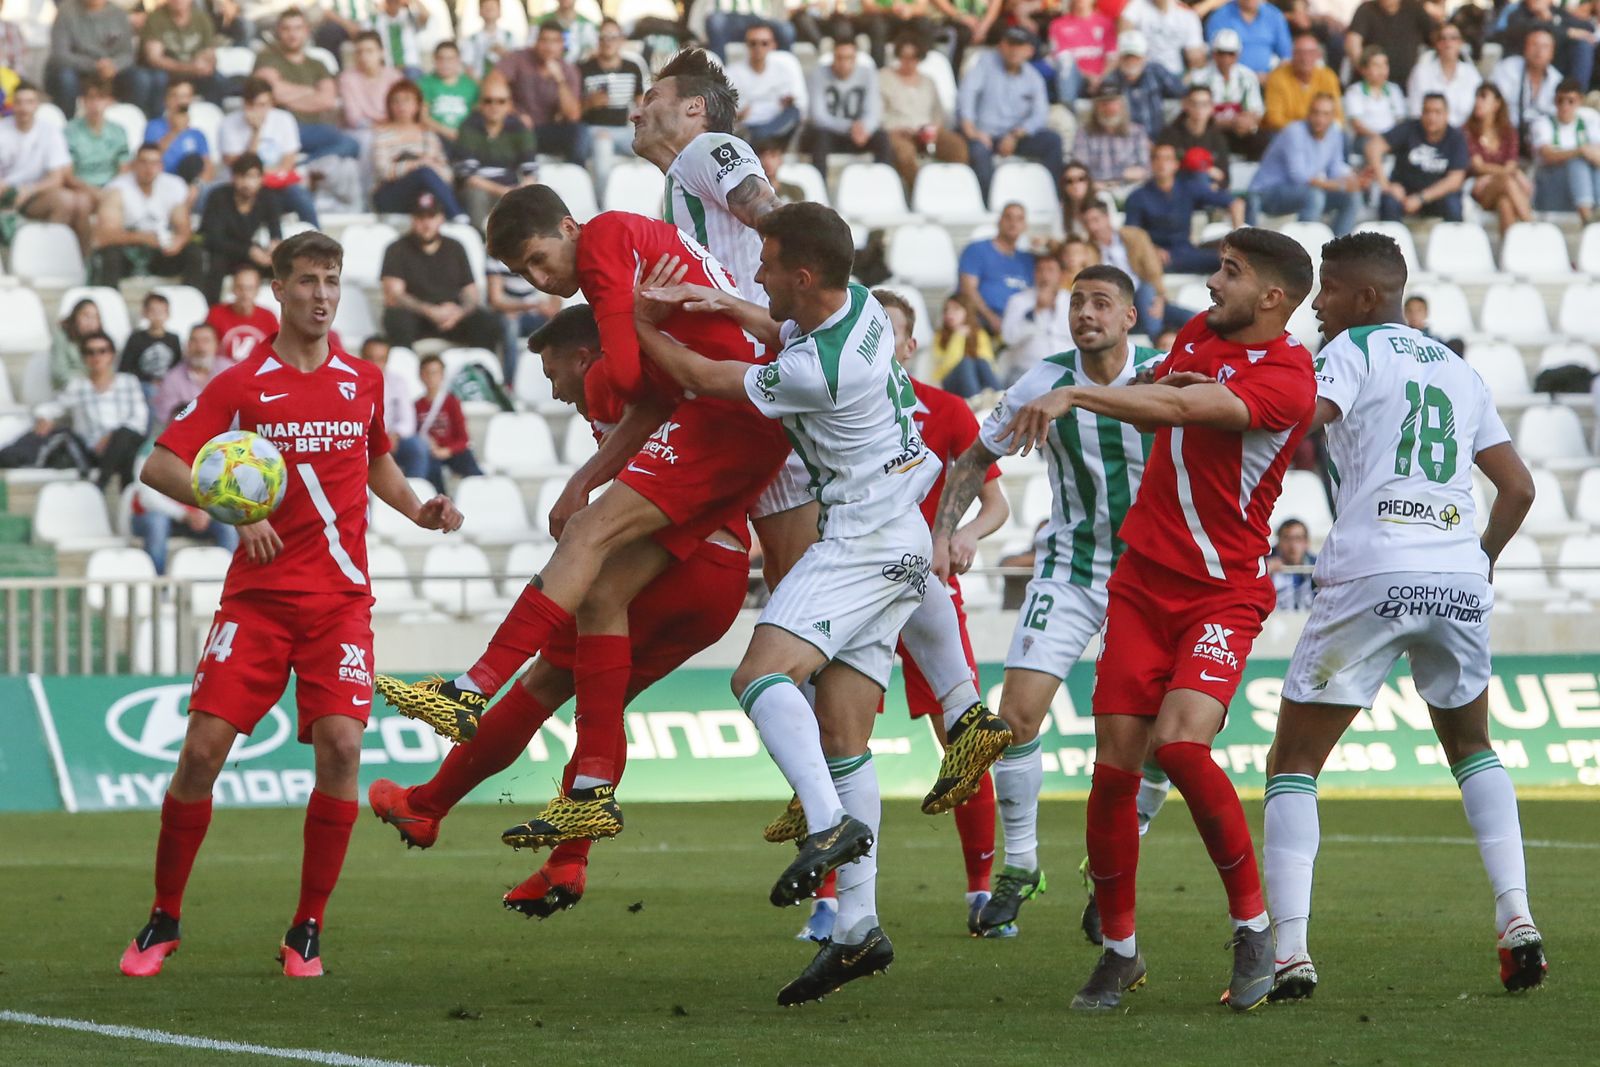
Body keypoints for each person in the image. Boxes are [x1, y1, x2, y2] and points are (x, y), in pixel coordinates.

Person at [632, 202, 1010, 1003]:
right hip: (902, 533)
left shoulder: (819, 371)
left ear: (803, 276)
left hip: (861, 538)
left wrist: (639, 323)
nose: (759, 275)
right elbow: (785, 328)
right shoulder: (864, 305)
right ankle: (856, 931)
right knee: (843, 731)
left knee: (758, 676)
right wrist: (734, 305)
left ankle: (825, 819)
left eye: (767, 266)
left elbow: (703, 379)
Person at [375, 187, 793, 850]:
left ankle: (469, 690)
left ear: (569, 227)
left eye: (540, 260)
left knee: (585, 545)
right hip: (731, 479)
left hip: (728, 418)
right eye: (524, 276)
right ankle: (588, 795)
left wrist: (631, 322)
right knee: (596, 598)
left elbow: (624, 380)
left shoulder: (605, 241)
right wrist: (581, 481)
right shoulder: (637, 254)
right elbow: (652, 406)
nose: (542, 281)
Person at [115, 230, 463, 981]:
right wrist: (234, 507)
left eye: (332, 280)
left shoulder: (364, 379)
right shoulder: (243, 384)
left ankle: (307, 928)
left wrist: (418, 511)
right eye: (307, 280)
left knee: (340, 747)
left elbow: (376, 461)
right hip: (258, 603)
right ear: (277, 288)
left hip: (340, 601)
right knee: (202, 752)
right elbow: (159, 463)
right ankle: (163, 915)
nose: (321, 294)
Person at [1002, 227, 1316, 1013]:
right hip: (1142, 582)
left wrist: (1076, 392)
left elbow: (1181, 403)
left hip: (1221, 590)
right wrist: (1136, 391)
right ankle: (1119, 950)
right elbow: (1160, 410)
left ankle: (1252, 927)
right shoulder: (1201, 333)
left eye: (1230, 272)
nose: (1212, 282)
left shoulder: (1289, 376)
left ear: (1273, 298)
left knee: (1178, 744)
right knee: (1112, 769)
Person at [367, 304, 754, 918]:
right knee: (600, 697)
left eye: (554, 372)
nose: (553, 389)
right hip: (723, 580)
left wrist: (581, 484)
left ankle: (433, 798)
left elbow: (645, 413)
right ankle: (565, 861)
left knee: (546, 682)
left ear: (583, 356)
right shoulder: (642, 391)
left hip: (669, 561)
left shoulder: (606, 374)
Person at [1264, 229, 1545, 1002]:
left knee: (1291, 764)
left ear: (1364, 297)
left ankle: (1288, 953)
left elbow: (1298, 419)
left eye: (1326, 290)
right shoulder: (1460, 369)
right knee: (1472, 747)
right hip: (1457, 573)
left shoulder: (1351, 351)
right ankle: (1517, 918)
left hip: (1373, 567)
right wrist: (1480, 556)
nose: (1316, 305)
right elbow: (1518, 488)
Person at [938, 263, 1163, 938]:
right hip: (1068, 568)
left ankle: (1111, 871)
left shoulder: (1165, 375)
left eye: (1101, 303)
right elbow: (975, 459)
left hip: (1149, 578)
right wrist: (946, 530)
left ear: (1129, 316)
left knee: (1146, 743)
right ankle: (1023, 865)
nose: (1086, 313)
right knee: (1016, 716)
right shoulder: (1041, 380)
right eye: (1077, 303)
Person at [379, 196, 501, 350]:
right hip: (417, 318)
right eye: (420, 217)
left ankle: (481, 368)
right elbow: (394, 296)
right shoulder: (396, 249)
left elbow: (471, 292)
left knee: (487, 322)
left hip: (454, 317)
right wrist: (430, 311)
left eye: (431, 217)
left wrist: (459, 312)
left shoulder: (455, 247)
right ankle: (405, 369)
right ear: (412, 219)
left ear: (441, 218)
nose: (426, 223)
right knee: (396, 319)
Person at [958, 26, 1063, 195]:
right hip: (983, 135)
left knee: (1052, 141)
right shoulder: (984, 63)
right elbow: (966, 96)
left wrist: (1017, 134)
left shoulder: (1033, 77)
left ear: (1029, 51)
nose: (1014, 50)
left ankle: (1051, 197)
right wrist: (972, 132)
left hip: (1015, 136)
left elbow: (1040, 114)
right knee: (978, 151)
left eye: (1019, 46)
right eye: (1010, 44)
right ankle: (989, 203)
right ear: (1001, 46)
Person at [253, 8, 362, 165]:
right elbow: (272, 92)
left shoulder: (318, 64)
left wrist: (286, 96)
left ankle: (300, 167)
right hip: (278, 128)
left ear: (307, 31)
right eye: (286, 29)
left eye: (298, 28)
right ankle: (299, 168)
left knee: (350, 144)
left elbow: (327, 100)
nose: (292, 34)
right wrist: (310, 91)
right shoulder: (266, 58)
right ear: (278, 31)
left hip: (314, 129)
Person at [0, 82, 97, 255]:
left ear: (37, 105)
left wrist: (28, 190)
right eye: (19, 102)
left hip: (36, 192)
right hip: (6, 192)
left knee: (78, 202)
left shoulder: (49, 130)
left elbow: (56, 177)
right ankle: (49, 256)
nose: (24, 108)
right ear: (12, 105)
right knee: (69, 202)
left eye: (29, 102)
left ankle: (81, 261)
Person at [1248, 92, 1362, 235]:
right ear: (1308, 114)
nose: (1320, 119)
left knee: (1352, 197)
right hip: (1267, 192)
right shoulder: (1294, 131)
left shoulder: (1335, 132)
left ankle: (1338, 249)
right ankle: (1305, 250)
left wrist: (1356, 179)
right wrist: (1337, 184)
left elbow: (1335, 168)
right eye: (1316, 113)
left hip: (1302, 191)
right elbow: (1299, 176)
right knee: (1314, 196)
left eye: (1326, 114)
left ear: (1333, 116)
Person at [1124, 141, 1244, 274]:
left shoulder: (1187, 187)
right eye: (1157, 158)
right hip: (1159, 256)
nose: (1162, 163)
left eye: (1167, 159)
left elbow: (1235, 203)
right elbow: (1130, 234)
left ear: (1176, 165)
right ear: (1151, 163)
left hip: (1187, 249)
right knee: (1229, 262)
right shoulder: (1138, 196)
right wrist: (1152, 249)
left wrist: (1235, 239)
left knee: (1236, 259)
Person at [93, 143, 202, 288]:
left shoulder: (174, 185)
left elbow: (183, 226)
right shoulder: (117, 189)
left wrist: (178, 241)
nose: (149, 168)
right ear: (134, 165)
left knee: (193, 252)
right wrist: (142, 237)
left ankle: (194, 303)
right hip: (128, 253)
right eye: (143, 162)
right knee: (111, 256)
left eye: (154, 163)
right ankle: (109, 305)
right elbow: (103, 236)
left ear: (161, 166)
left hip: (160, 251)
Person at [1079, 199, 1192, 339]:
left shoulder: (1135, 236)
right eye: (1087, 222)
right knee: (1154, 312)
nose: (1092, 227)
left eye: (1095, 220)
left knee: (1191, 318)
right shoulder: (1087, 250)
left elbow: (1152, 270)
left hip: (1144, 295)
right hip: (1115, 304)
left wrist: (1160, 298)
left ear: (1107, 217)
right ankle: (1160, 345)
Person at [218, 78, 323, 227]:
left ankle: (317, 238)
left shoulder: (284, 119)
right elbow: (240, 169)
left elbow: (288, 163)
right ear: (244, 104)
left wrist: (260, 175)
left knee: (300, 196)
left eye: (262, 105)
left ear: (271, 102)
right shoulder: (229, 123)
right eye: (252, 105)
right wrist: (256, 132)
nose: (257, 110)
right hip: (242, 188)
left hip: (277, 184)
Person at [881, 34, 969, 194]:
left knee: (957, 147)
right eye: (904, 57)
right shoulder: (883, 78)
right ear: (898, 56)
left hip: (926, 132)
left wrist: (933, 129)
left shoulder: (929, 81)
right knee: (905, 153)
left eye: (913, 57)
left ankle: (952, 191)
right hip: (896, 132)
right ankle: (920, 193)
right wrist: (894, 128)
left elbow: (938, 112)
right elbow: (877, 113)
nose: (908, 62)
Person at [62, 330, 149, 490]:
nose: (97, 356)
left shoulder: (128, 381)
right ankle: (126, 504)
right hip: (96, 449)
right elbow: (57, 406)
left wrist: (111, 437)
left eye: (102, 351)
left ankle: (101, 483)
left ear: (112, 355)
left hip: (128, 437)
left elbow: (140, 417)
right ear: (84, 357)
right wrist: (43, 416)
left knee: (123, 435)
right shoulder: (77, 386)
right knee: (128, 455)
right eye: (90, 352)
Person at [451, 70, 537, 229]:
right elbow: (468, 177)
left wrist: (518, 191)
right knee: (476, 196)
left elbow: (529, 171)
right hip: (480, 190)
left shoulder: (519, 128)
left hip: (510, 189)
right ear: (480, 104)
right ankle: (481, 244)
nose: (494, 106)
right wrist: (504, 192)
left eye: (500, 101)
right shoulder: (468, 127)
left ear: (509, 104)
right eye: (488, 101)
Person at [497, 20, 589, 165]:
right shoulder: (519, 58)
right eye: (544, 40)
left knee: (579, 131)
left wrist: (559, 80)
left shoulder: (569, 70)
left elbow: (572, 115)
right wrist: (514, 112)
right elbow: (493, 86)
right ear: (536, 42)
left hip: (547, 130)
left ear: (562, 45)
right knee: (508, 125)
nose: (549, 46)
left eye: (554, 41)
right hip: (518, 126)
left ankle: (574, 177)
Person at [1367, 91, 1468, 222]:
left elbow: (1455, 180)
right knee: (1389, 202)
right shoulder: (1409, 128)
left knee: (1453, 204)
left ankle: (1452, 242)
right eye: (1427, 111)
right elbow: (1373, 146)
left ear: (1446, 115)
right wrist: (1386, 185)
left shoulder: (1456, 137)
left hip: (1437, 195)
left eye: (1437, 112)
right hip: (1404, 194)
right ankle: (1390, 242)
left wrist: (1421, 198)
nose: (1431, 117)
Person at [371, 79, 465, 216]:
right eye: (396, 101)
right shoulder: (382, 134)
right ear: (389, 105)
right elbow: (383, 171)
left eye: (407, 101)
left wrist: (431, 167)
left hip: (423, 193)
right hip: (391, 194)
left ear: (417, 105)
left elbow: (447, 174)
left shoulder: (429, 135)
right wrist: (416, 165)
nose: (401, 106)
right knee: (424, 173)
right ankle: (458, 216)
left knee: (428, 177)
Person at [197, 153, 283, 302]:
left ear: (261, 179)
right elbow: (212, 238)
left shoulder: (267, 197)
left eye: (253, 177)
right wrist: (249, 250)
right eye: (242, 177)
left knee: (282, 266)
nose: (247, 183)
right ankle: (212, 312)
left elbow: (275, 230)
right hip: (221, 251)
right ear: (233, 178)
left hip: (250, 251)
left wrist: (274, 247)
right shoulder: (218, 197)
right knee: (216, 263)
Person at [802, 39, 893, 173]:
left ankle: (882, 184)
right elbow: (818, 116)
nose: (844, 63)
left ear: (855, 58)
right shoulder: (818, 74)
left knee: (882, 138)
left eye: (849, 58)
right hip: (831, 132)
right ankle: (820, 188)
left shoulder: (868, 73)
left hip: (858, 134)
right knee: (819, 138)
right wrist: (850, 127)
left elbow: (873, 110)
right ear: (833, 57)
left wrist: (865, 128)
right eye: (840, 58)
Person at [579, 19, 648, 185]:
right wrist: (589, 104)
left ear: (621, 40)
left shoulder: (632, 67)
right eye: (603, 37)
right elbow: (572, 113)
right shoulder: (584, 69)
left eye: (612, 37)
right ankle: (605, 204)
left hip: (623, 130)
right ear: (598, 40)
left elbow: (642, 104)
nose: (607, 42)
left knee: (655, 140)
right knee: (603, 142)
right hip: (594, 131)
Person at [45, 0, 137, 119]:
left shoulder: (118, 13)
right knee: (65, 78)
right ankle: (67, 123)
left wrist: (115, 65)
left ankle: (132, 125)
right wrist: (94, 65)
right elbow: (60, 54)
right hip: (76, 68)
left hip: (111, 69)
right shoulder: (66, 11)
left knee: (138, 78)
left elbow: (127, 53)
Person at [958, 202, 1035, 336]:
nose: (1013, 223)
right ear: (999, 222)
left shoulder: (1028, 259)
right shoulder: (977, 250)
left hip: (1017, 326)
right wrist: (991, 318)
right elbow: (968, 290)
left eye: (1019, 219)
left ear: (1025, 226)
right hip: (982, 323)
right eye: (1008, 217)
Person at [137, 0, 222, 116]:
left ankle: (212, 120)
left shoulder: (202, 19)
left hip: (194, 71)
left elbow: (210, 53)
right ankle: (156, 120)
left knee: (217, 80)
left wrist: (208, 64)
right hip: (166, 71)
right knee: (158, 79)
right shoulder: (155, 18)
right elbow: (154, 58)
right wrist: (188, 67)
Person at [1187, 29, 1264, 158]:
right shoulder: (1200, 77)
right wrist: (1229, 123)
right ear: (1214, 54)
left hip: (1239, 130)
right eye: (1221, 53)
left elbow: (1256, 110)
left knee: (1262, 140)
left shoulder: (1248, 76)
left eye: (1230, 54)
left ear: (1237, 55)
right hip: (1211, 130)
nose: (1226, 58)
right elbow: (1195, 114)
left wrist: (1245, 121)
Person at [357, 335, 426, 478]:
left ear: (387, 360)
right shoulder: (347, 382)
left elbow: (408, 421)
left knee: (417, 447)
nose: (375, 364)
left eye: (381, 359)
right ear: (361, 356)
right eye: (370, 358)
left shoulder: (398, 382)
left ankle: (415, 492)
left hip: (390, 438)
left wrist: (395, 434)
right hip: (359, 440)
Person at [1531, 78, 1600, 221]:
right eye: (1560, 101)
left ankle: (1595, 208)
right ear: (1554, 101)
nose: (1565, 106)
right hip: (1550, 186)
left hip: (1582, 185)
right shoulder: (1543, 123)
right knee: (1577, 163)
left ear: (1580, 101)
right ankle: (1587, 217)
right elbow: (1547, 155)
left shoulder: (1590, 119)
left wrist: (1587, 154)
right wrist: (1580, 151)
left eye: (1570, 101)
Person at [726, 23, 807, 144]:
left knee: (793, 112)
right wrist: (737, 116)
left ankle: (763, 140)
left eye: (764, 43)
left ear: (773, 45)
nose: (758, 48)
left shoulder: (785, 66)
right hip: (748, 127)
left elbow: (799, 106)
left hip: (777, 127)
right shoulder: (732, 73)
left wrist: (789, 101)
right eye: (753, 43)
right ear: (746, 45)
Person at [1467, 84, 1532, 229]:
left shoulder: (1508, 132)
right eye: (1476, 97)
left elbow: (1511, 165)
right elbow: (1478, 166)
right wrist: (1513, 173)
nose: (1478, 101)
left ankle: (1509, 250)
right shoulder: (1467, 130)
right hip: (1476, 188)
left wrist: (1493, 175)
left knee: (1505, 204)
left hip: (1497, 186)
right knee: (1507, 181)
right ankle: (1531, 228)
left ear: (1497, 104)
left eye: (1483, 97)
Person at [415, 354, 483, 492]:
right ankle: (442, 502)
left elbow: (463, 438)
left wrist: (447, 451)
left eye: (435, 373)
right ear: (421, 376)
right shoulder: (416, 405)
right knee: (429, 465)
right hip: (430, 452)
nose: (431, 377)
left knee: (467, 460)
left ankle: (481, 492)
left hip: (451, 451)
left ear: (442, 375)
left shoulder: (452, 402)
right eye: (427, 373)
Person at [1002, 250, 1073, 381]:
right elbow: (1009, 338)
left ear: (1061, 275)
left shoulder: (1072, 301)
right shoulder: (1018, 300)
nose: (1044, 275)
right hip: (1027, 371)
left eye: (1050, 270)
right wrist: (1037, 310)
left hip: (1067, 372)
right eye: (1040, 270)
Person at [1497, 0, 1592, 97]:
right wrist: (1566, 32)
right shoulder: (1517, 13)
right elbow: (1524, 30)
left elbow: (1588, 28)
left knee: (1583, 46)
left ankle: (1577, 95)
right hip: (1521, 67)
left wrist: (1551, 18)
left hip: (1555, 67)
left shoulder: (1557, 13)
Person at [1101, 31, 1183, 139]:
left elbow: (1181, 91)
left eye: (1136, 58)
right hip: (1125, 141)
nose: (1131, 62)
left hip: (1159, 139)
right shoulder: (1111, 80)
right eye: (1127, 57)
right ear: (1119, 58)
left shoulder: (1156, 71)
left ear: (1144, 58)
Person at [1264, 30, 1344, 134]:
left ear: (1318, 55)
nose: (1305, 58)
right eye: (1300, 53)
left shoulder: (1328, 76)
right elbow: (1274, 119)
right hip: (1286, 134)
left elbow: (1337, 115)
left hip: (1321, 133)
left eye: (1310, 53)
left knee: (1343, 138)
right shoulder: (1277, 77)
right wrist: (1306, 131)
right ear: (1292, 55)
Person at [1343, 0, 1437, 89]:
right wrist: (1366, 71)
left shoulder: (1415, 9)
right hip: (1372, 88)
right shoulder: (1366, 10)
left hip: (1408, 86)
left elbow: (1436, 38)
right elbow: (1353, 43)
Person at [64, 76, 132, 196]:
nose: (96, 104)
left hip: (112, 190)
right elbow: (68, 175)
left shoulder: (118, 131)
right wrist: (95, 193)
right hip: (81, 191)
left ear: (110, 101)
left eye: (101, 98)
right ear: (83, 101)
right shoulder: (69, 132)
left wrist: (110, 192)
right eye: (91, 98)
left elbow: (124, 169)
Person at [149, 321, 223, 426]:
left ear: (216, 345)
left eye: (206, 341)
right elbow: (168, 419)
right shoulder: (172, 379)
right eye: (194, 341)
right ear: (187, 345)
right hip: (189, 434)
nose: (200, 347)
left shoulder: (230, 369)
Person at [1072, 87, 1151, 187]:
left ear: (1122, 105)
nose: (1109, 108)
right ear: (1096, 107)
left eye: (1114, 103)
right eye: (1103, 104)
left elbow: (1145, 170)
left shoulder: (1137, 132)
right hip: (1097, 189)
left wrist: (1106, 175)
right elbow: (1080, 171)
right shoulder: (1083, 133)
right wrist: (1123, 173)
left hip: (1130, 189)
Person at [1158, 84, 1231, 190]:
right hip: (1178, 190)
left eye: (1205, 104)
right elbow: (1162, 168)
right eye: (1195, 104)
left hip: (1209, 191)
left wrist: (1215, 186)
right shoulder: (1170, 135)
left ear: (1212, 107)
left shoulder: (1218, 138)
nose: (1199, 109)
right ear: (1185, 105)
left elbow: (1224, 177)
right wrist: (1203, 170)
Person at [1491, 27, 1560, 140]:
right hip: (1505, 133)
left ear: (1552, 53)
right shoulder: (1507, 68)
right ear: (1525, 48)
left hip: (1539, 140)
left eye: (1545, 47)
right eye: (1534, 45)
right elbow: (1495, 106)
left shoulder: (1557, 80)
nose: (1539, 51)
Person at [1407, 22, 1480, 127]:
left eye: (1453, 38)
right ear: (1436, 44)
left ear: (1461, 43)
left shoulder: (1471, 74)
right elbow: (1415, 112)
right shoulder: (1421, 73)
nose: (1448, 42)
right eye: (1443, 38)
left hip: (1464, 136)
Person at [143, 79, 214, 184]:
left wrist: (197, 188)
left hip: (191, 186)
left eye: (185, 96)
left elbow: (208, 167)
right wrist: (175, 131)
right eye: (175, 96)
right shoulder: (154, 127)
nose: (180, 101)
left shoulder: (197, 134)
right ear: (166, 100)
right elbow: (149, 158)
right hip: (160, 183)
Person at [206, 263, 280, 364]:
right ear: (233, 289)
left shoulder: (268, 317)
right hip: (224, 375)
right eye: (240, 287)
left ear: (257, 290)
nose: (245, 294)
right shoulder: (216, 314)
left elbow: (278, 353)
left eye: (250, 288)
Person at [930, 294, 1000, 395]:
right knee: (965, 362)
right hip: (947, 383)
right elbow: (945, 368)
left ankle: (1000, 398)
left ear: (967, 312)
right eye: (946, 310)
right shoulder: (939, 336)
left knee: (981, 362)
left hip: (976, 382)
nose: (949, 314)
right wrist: (958, 337)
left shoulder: (979, 334)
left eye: (956, 309)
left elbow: (989, 364)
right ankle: (975, 400)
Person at [339, 30, 404, 139]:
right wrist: (378, 127)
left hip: (394, 126)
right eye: (359, 52)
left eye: (369, 51)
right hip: (363, 131)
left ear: (381, 52)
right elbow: (354, 118)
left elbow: (402, 109)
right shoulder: (347, 78)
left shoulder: (394, 77)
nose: (364, 56)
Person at [1049, 0, 1117, 101]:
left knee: (1115, 72)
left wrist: (1099, 78)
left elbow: (1113, 58)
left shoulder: (1106, 23)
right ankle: (1069, 111)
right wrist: (1089, 77)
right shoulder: (1057, 25)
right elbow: (1059, 59)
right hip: (1075, 77)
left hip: (1102, 76)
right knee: (1065, 67)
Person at [1121, 0, 1205, 79]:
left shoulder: (1187, 14)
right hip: (1144, 74)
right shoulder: (1137, 6)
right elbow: (1124, 36)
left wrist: (1186, 81)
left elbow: (1195, 55)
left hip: (1175, 74)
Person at [1206, 0, 1291, 76]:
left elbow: (1286, 55)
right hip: (1231, 79)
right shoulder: (1220, 16)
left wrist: (1272, 77)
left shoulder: (1274, 15)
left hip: (1267, 81)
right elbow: (1215, 53)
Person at [120, 291, 182, 391]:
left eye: (161, 312)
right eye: (153, 311)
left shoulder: (174, 339)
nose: (157, 316)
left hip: (168, 384)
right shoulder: (136, 338)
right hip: (142, 385)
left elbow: (178, 366)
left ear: (168, 314)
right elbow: (125, 367)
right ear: (145, 313)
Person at [419, 41, 479, 141]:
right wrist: (447, 131)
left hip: (465, 137)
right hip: (435, 136)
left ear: (458, 60)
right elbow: (423, 117)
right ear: (434, 60)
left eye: (450, 59)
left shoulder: (471, 85)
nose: (445, 63)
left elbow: (477, 115)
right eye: (441, 59)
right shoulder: (425, 84)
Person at [1344, 46, 1407, 139]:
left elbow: (1400, 120)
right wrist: (1380, 140)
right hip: (1365, 138)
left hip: (1392, 139)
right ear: (1364, 70)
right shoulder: (1354, 91)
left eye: (1385, 64)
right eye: (1376, 65)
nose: (1382, 70)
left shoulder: (1394, 89)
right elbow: (1357, 125)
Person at [51, 298, 103, 390]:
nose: (91, 322)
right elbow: (59, 373)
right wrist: (87, 380)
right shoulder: (62, 337)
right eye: (86, 316)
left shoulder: (102, 341)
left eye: (95, 317)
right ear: (75, 317)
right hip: (70, 390)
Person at [368, 0, 429, 78]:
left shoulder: (409, 16)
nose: (393, 3)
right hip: (387, 67)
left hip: (410, 66)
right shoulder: (375, 19)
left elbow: (425, 15)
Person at [460, 0, 520, 79]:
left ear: (499, 12)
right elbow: (466, 65)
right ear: (480, 12)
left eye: (492, 8)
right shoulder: (471, 40)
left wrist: (504, 53)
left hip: (504, 83)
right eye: (486, 8)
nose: (489, 11)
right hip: (479, 82)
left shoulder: (509, 37)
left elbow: (518, 62)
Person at [1267, 517, 1315, 609]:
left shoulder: (1316, 566)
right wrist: (1266, 573)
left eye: (1298, 538)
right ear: (1278, 541)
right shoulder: (1264, 564)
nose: (1292, 545)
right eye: (1287, 538)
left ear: (1306, 542)